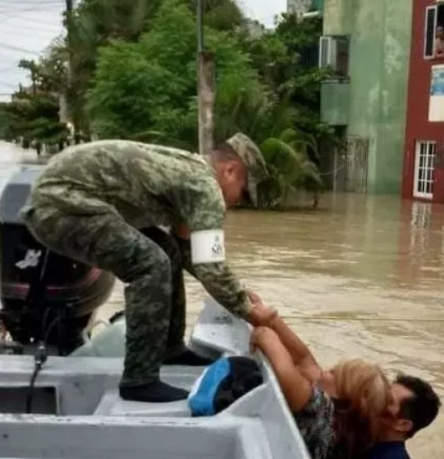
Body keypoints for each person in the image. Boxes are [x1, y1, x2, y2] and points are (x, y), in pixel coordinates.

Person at [21, 134, 279, 403]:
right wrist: (249, 311)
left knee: (167, 251)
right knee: (151, 263)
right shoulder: (206, 187)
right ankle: (139, 380)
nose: (240, 201)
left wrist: (237, 291)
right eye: (244, 191)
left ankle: (170, 348)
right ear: (230, 170)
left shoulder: (192, 174)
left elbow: (190, 254)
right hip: (62, 206)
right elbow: (209, 264)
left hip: (58, 199)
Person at [250, 315, 391, 459]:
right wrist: (272, 319)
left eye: (333, 373)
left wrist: (263, 332)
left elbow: (285, 370)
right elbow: (304, 360)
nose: (324, 372)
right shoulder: (350, 428)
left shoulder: (318, 408)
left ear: (342, 394)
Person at [340, 374, 441, 459]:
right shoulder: (370, 436)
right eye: (382, 393)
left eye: (387, 400)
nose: (375, 398)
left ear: (402, 425)